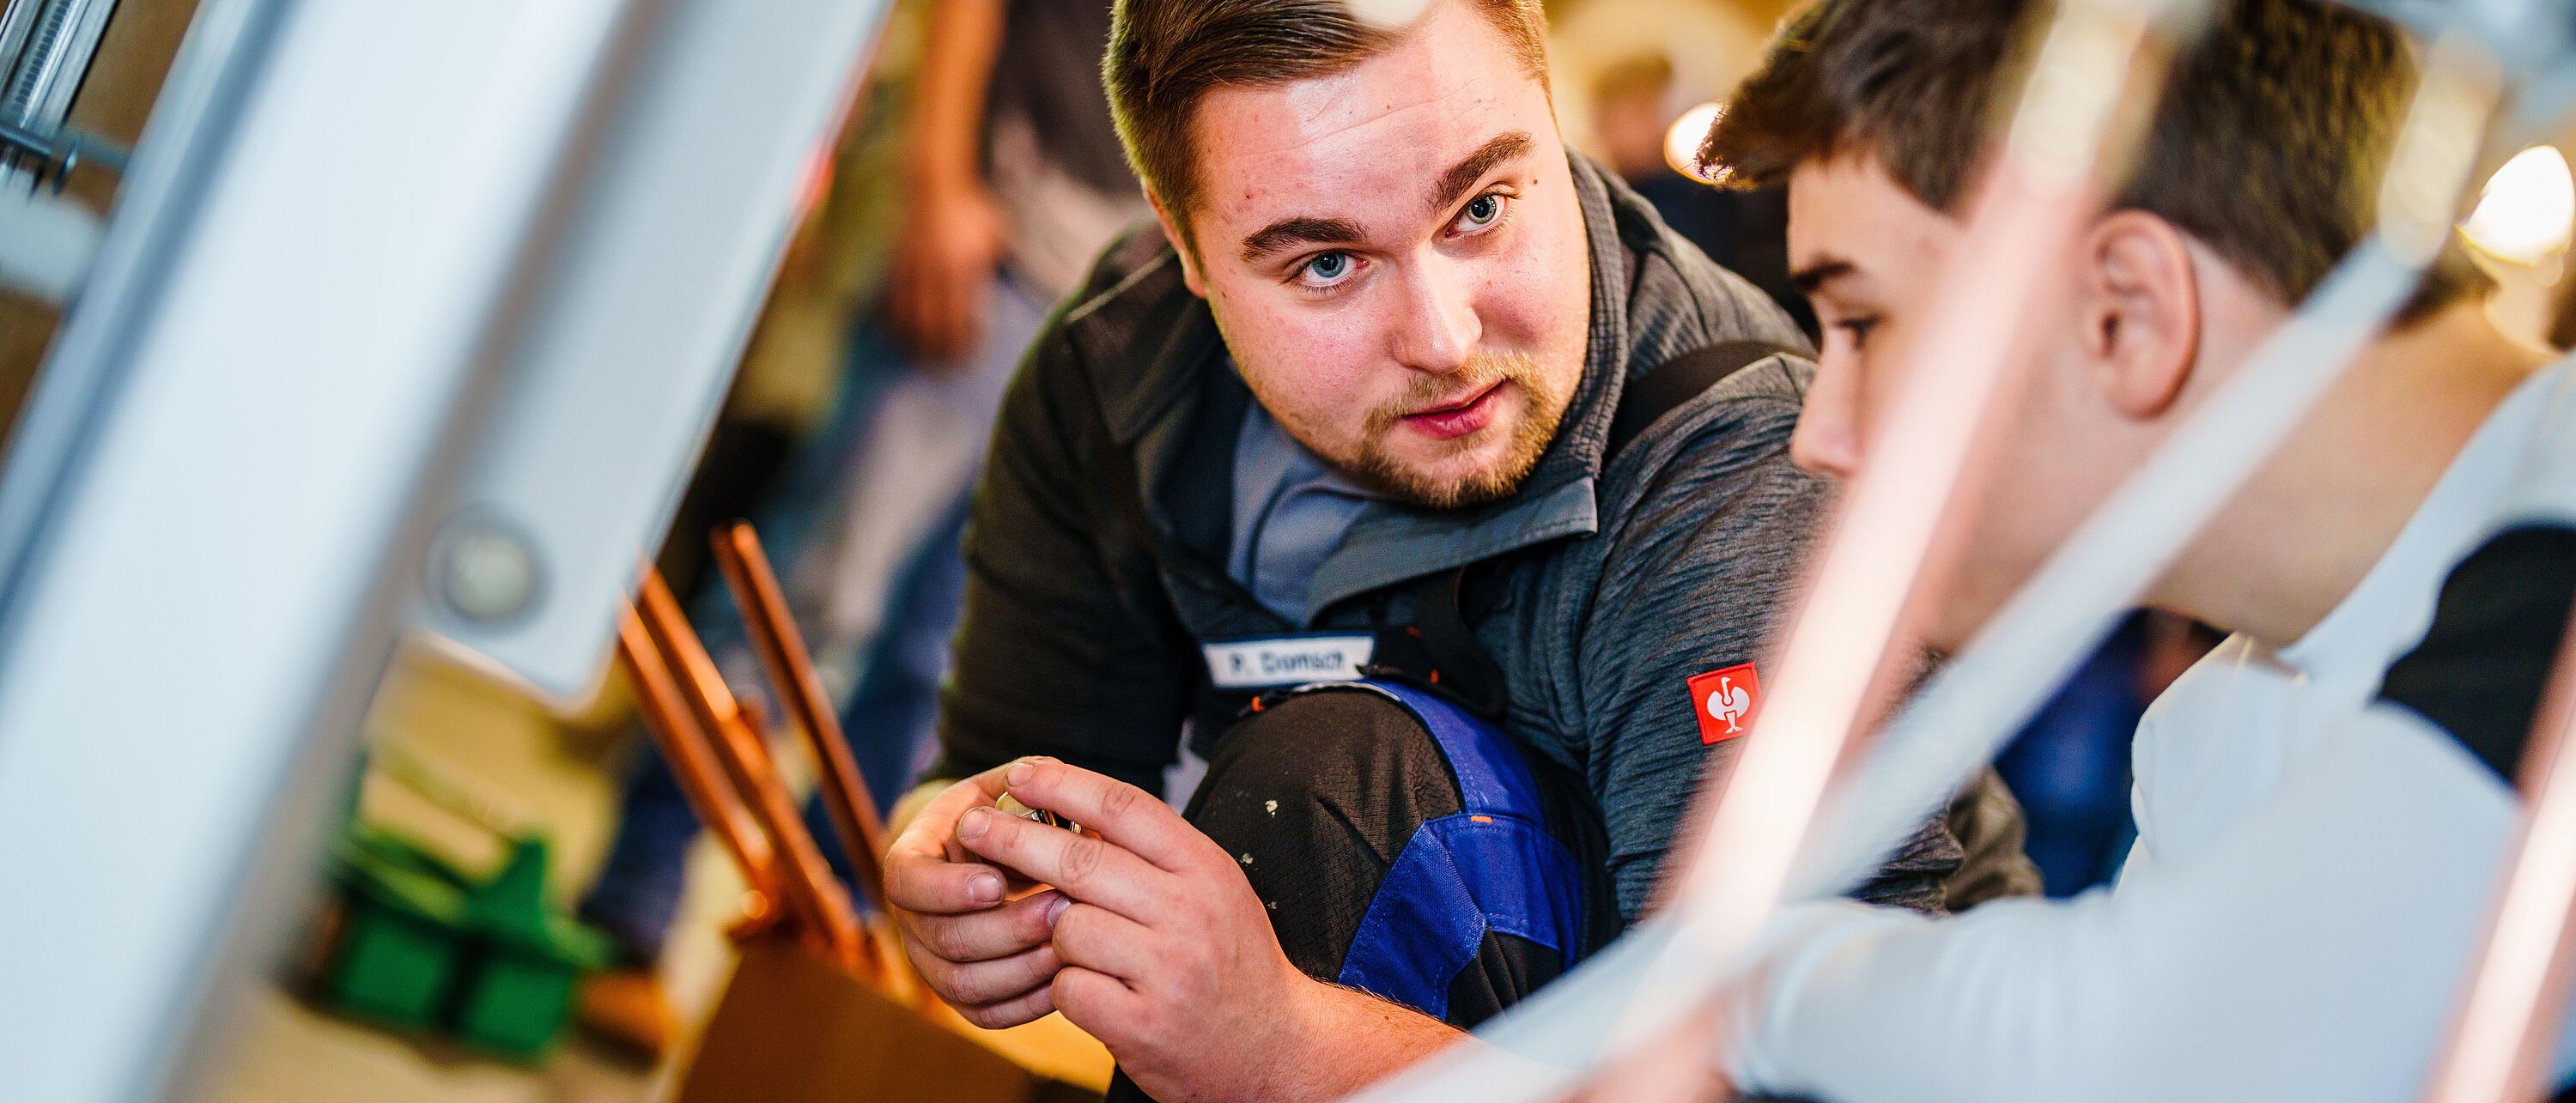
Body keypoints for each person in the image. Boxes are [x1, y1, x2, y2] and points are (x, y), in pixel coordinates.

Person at [878, 1, 2038, 1100]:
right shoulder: (1121, 388)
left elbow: (1784, 1082)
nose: (1443, 338)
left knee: (1331, 795)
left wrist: (1286, 1045)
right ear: (1184, 244)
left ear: (1554, 114)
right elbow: (1005, 771)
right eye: (1326, 263)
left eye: (1480, 207)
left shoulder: (1738, 474)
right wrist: (951, 863)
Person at [1606, 0, 2576, 1097]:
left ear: (2129, 313)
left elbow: (2142, 1048)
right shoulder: (2215, 736)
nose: (1818, 435)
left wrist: (1740, 979)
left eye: (1864, 325)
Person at [573, 0, 1142, 1056]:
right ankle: (628, 910)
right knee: (812, 601)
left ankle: (824, 971)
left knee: (943, 670)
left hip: (1111, 323)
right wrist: (939, 184)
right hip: (997, 248)